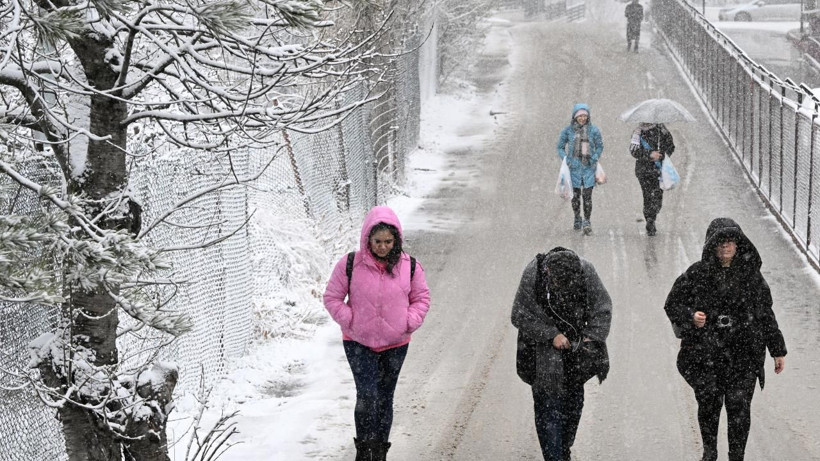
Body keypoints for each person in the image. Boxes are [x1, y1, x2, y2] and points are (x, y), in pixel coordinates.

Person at [664, 218, 787, 461]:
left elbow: (765, 314)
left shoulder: (752, 277)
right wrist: (691, 316)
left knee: (739, 406)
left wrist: (777, 350)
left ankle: (736, 456)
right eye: (720, 244)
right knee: (709, 403)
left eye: (730, 243)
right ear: (712, 246)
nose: (725, 248)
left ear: (739, 245)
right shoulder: (697, 274)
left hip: (743, 353)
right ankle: (710, 453)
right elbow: (672, 303)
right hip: (706, 353)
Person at [323, 206, 431, 461]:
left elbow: (421, 298)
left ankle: (380, 450)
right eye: (377, 241)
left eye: (388, 242)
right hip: (358, 343)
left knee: (384, 397)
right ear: (367, 240)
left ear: (396, 241)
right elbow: (332, 297)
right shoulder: (350, 264)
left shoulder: (410, 266)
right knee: (367, 395)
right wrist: (350, 320)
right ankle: (364, 450)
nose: (382, 247)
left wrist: (409, 321)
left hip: (396, 344)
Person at [511, 247, 612, 461]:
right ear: (548, 272)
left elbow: (602, 308)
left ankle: (564, 450)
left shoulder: (586, 271)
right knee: (548, 412)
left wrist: (590, 338)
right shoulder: (534, 274)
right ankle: (553, 457)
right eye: (558, 285)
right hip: (541, 359)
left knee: (572, 409)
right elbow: (519, 313)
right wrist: (551, 334)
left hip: (576, 356)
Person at [556, 103, 604, 235]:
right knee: (575, 197)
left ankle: (587, 221)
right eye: (580, 116)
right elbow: (559, 147)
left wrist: (594, 157)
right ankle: (577, 217)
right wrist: (566, 159)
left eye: (585, 116)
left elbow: (600, 146)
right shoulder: (568, 131)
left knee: (587, 196)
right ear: (575, 117)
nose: (582, 118)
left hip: (589, 168)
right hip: (574, 169)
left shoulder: (594, 131)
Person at [629, 122, 674, 236]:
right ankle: (650, 219)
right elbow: (634, 151)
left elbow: (671, 146)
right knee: (648, 195)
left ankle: (652, 215)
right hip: (644, 171)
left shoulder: (662, 130)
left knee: (657, 195)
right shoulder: (637, 132)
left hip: (658, 170)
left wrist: (662, 155)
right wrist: (649, 154)